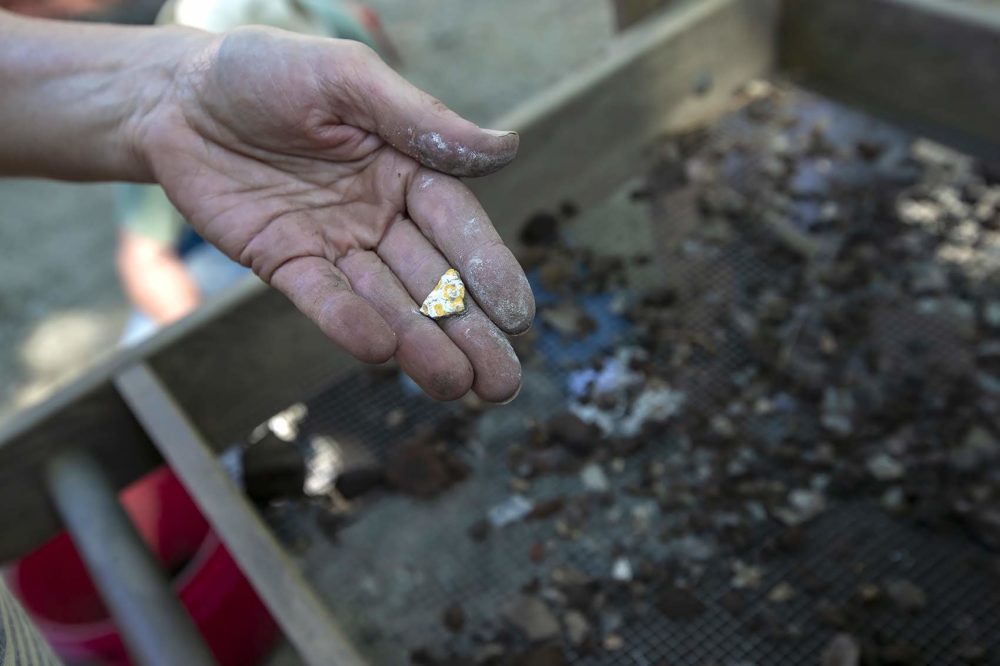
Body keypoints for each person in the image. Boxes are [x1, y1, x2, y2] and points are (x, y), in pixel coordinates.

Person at [0, 7, 534, 662]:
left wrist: (168, 87)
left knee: (408, 331)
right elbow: (145, 258)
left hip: (293, 216)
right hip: (225, 243)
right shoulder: (199, 27)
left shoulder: (312, 33)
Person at [116, 0, 398, 344]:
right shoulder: (165, 109)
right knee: (145, 341)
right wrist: (203, 344)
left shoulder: (339, 35)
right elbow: (146, 258)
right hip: (223, 241)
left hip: (348, 204)